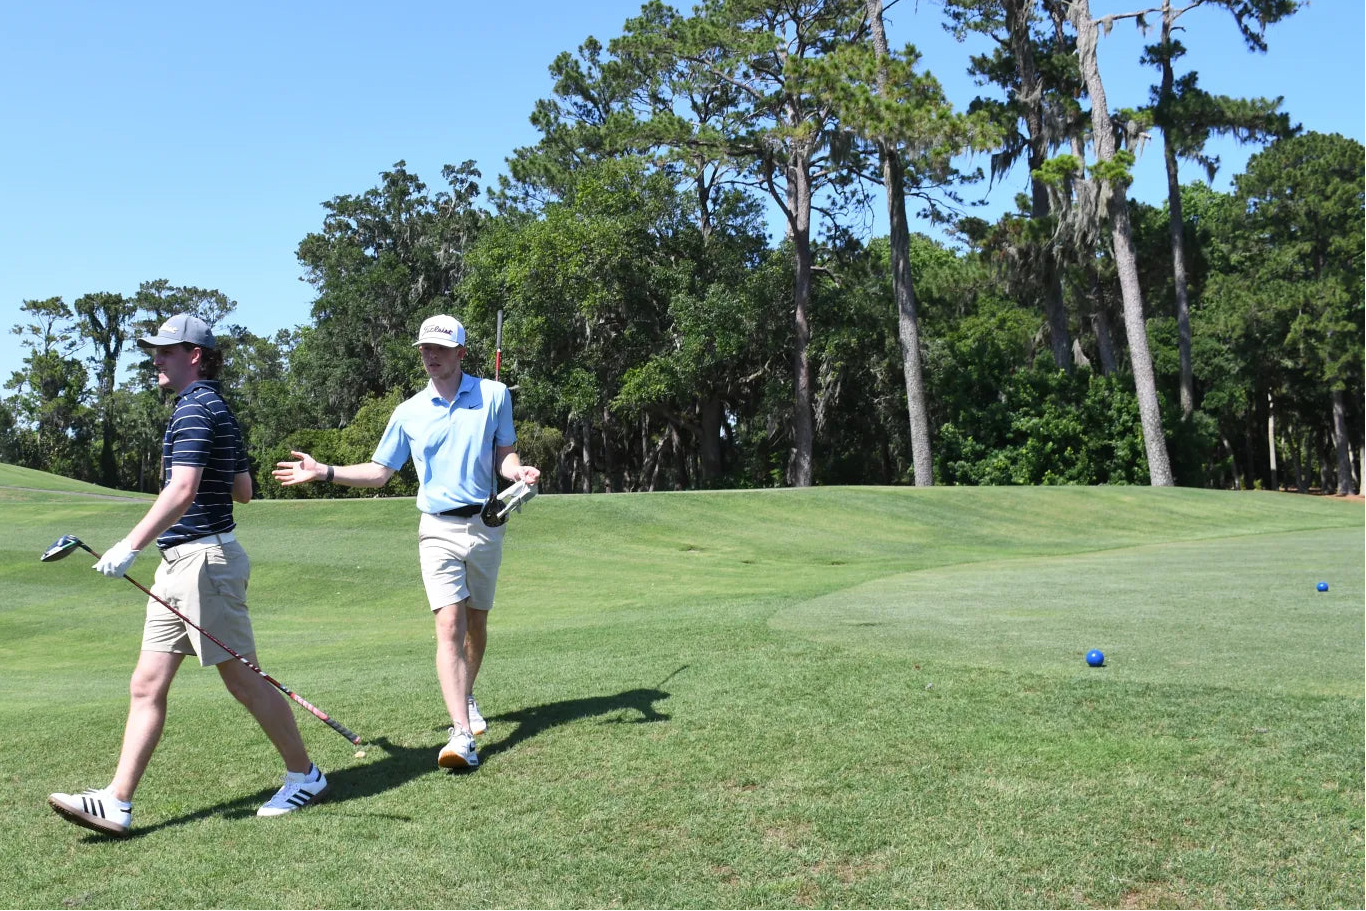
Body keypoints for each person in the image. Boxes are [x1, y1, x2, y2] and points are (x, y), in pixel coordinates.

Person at [48, 314, 327, 838]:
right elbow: (242, 488)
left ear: (193, 356)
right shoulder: (212, 406)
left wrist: (129, 546)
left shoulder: (197, 408)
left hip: (203, 563)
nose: (155, 359)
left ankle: (305, 775)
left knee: (244, 680)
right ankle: (117, 802)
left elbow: (181, 491)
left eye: (165, 351)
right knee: (147, 683)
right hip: (182, 564)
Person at [272, 314, 539, 771]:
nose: (430, 356)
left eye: (439, 348)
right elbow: (379, 472)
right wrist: (324, 472)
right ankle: (460, 735)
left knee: (476, 624)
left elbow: (504, 453)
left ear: (461, 353)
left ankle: (466, 694)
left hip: (486, 524)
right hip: (435, 528)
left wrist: (517, 472)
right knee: (449, 624)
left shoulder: (494, 396)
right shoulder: (409, 411)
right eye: (424, 349)